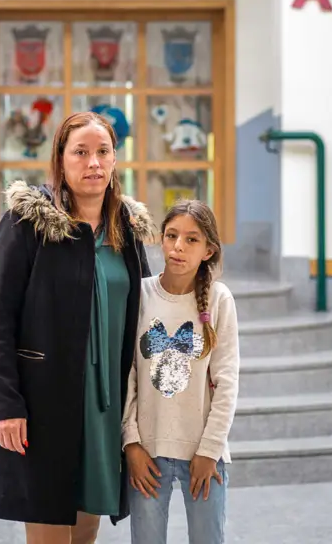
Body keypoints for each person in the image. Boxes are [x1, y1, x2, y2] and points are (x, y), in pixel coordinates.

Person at [0, 111, 159, 544]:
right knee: (49, 527)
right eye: (81, 152)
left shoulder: (127, 230)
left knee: (87, 526)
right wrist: (6, 406)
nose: (93, 163)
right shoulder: (27, 223)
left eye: (103, 152)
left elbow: (147, 311)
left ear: (115, 160)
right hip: (45, 402)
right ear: (60, 159)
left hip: (105, 404)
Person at [122, 200, 240, 544]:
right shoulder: (140, 293)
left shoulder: (219, 300)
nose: (178, 247)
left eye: (191, 239)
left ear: (208, 250)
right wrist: (131, 443)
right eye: (171, 235)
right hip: (147, 454)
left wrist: (209, 451)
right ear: (160, 239)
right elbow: (126, 373)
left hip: (204, 456)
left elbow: (227, 381)